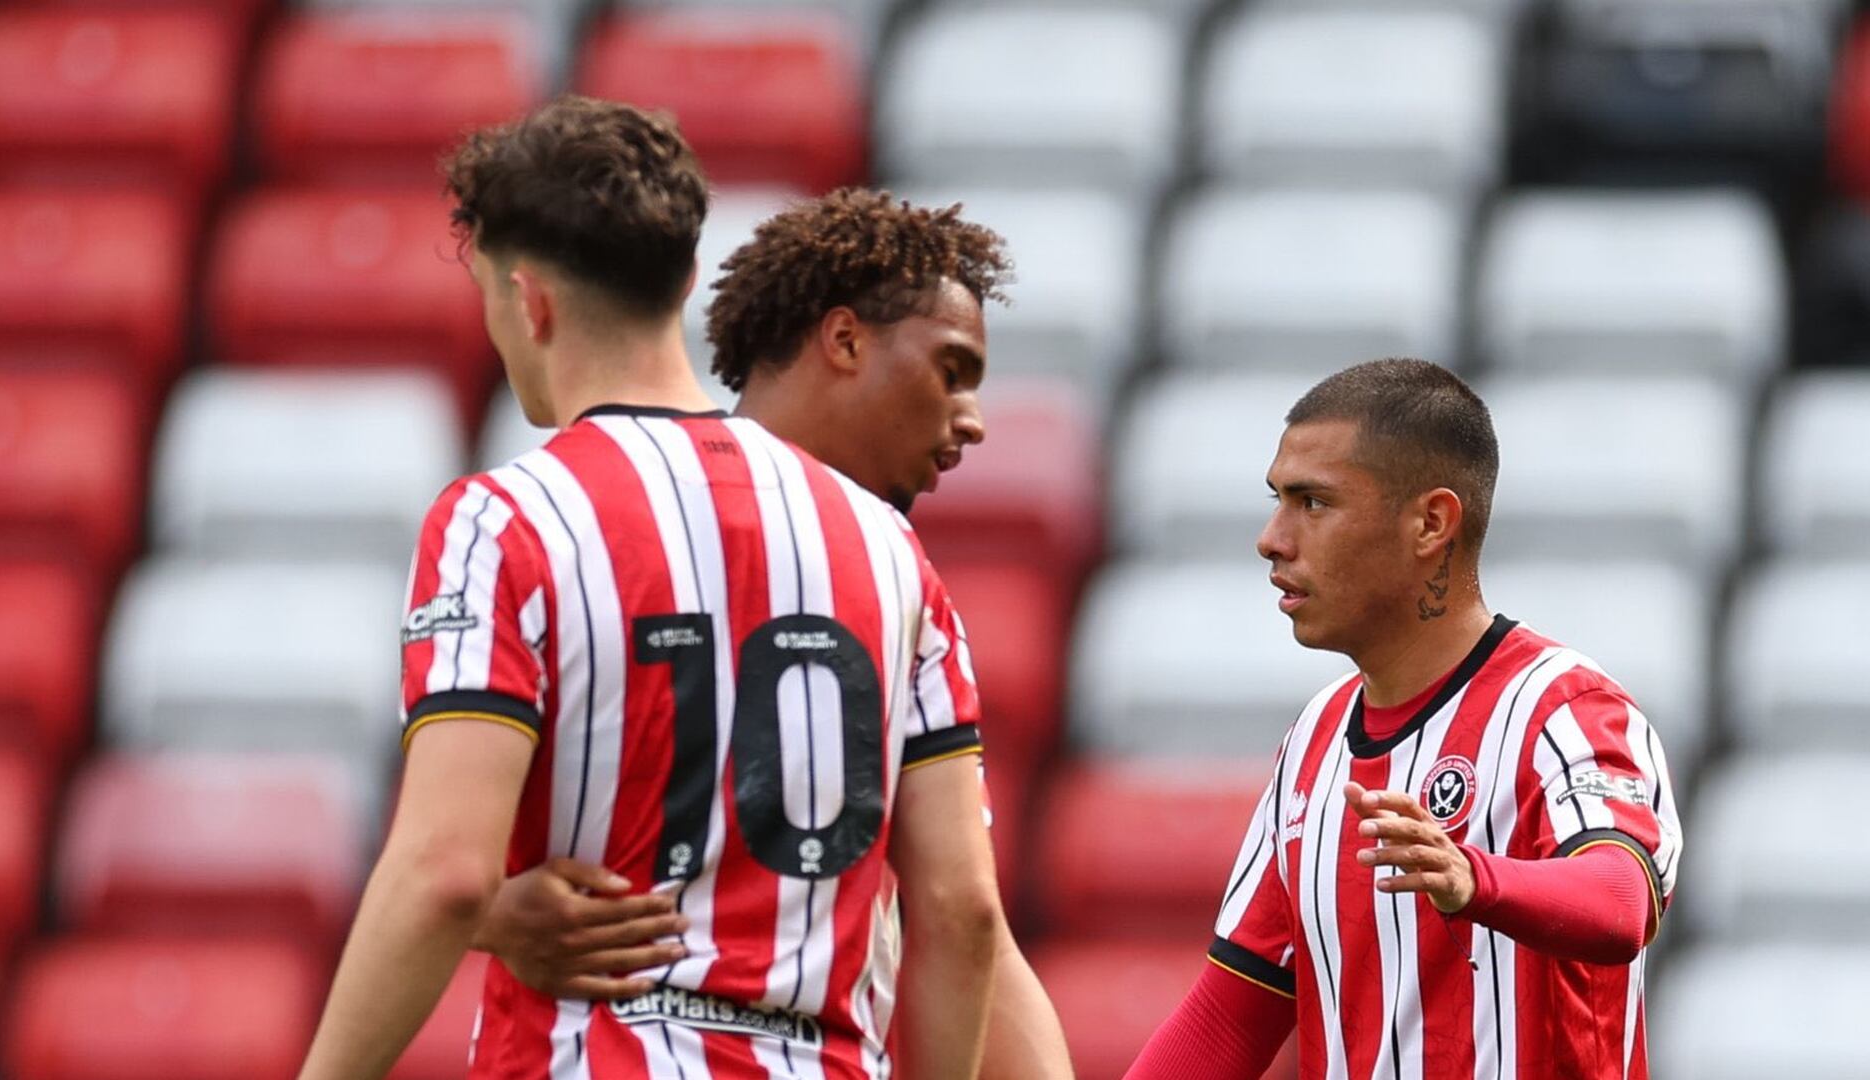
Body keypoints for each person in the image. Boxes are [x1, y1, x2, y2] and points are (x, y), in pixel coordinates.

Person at [299, 98, 1005, 1080]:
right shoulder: (887, 548)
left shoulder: (508, 519)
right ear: (678, 282)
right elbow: (963, 914)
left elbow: (446, 876)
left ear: (528, 301)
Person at [470, 189, 1076, 1080]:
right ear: (843, 340)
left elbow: (964, 919)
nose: (972, 421)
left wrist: (479, 913)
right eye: (952, 370)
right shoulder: (895, 577)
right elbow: (961, 912)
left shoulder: (586, 525)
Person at [1125, 359, 1684, 1079]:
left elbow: (1619, 904)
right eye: (1277, 501)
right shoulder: (1316, 740)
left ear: (1430, 523)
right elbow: (1229, 1018)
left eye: (1313, 503)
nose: (1272, 538)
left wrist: (1474, 879)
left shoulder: (1563, 708)